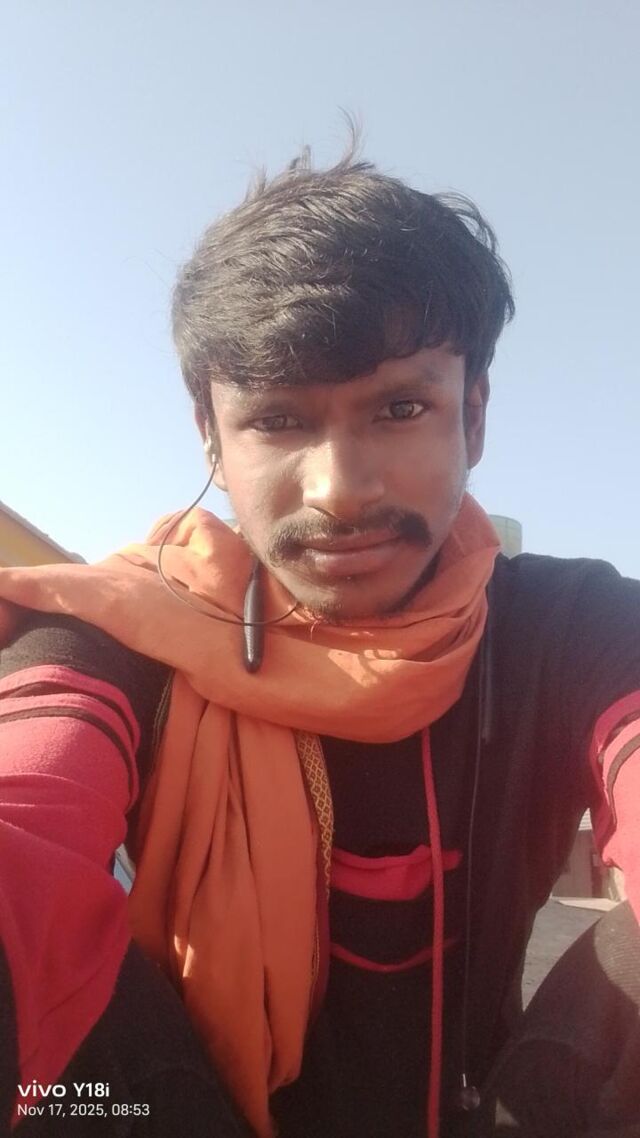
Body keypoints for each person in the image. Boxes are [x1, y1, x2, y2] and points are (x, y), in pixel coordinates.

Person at [0, 137, 639, 1138]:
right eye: (278, 420)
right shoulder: (122, 630)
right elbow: (27, 797)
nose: (340, 490)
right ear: (211, 438)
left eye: (400, 407)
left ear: (473, 416)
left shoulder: (567, 626)